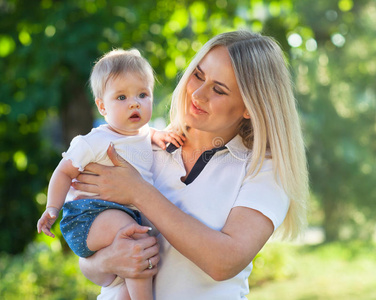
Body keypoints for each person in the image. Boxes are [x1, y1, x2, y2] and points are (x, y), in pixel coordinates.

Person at [74, 30, 309, 299]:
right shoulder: (139, 144)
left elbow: (225, 262)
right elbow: (87, 254)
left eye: (218, 89)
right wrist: (107, 262)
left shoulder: (264, 169)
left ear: (250, 107)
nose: (197, 94)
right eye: (198, 75)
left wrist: (139, 193)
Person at [36, 48, 183, 300]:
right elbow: (62, 173)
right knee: (137, 238)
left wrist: (160, 136)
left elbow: (149, 135)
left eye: (142, 94)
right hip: (88, 216)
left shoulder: (146, 135)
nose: (134, 102)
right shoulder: (94, 141)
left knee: (134, 259)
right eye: (122, 97)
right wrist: (52, 208)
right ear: (102, 106)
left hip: (122, 214)